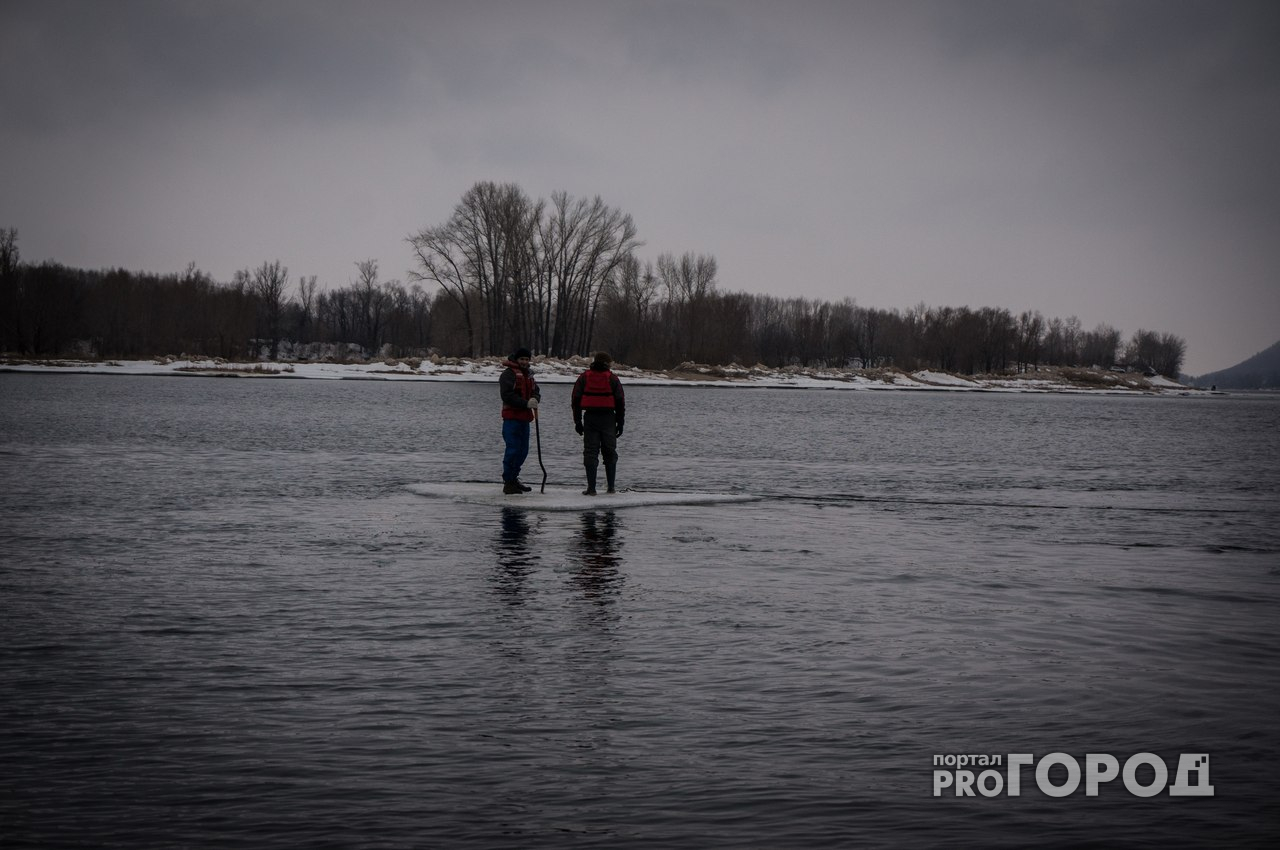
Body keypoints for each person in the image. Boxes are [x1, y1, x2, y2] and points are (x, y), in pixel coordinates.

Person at [571, 351, 625, 495]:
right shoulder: (613, 379)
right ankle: (611, 488)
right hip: (608, 418)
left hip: (590, 418)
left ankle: (591, 488)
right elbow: (620, 402)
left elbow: (575, 401)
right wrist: (620, 423)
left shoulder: (584, 378)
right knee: (610, 452)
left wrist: (577, 421)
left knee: (590, 452)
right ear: (608, 363)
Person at [499, 348, 541, 494]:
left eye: (526, 359)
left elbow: (536, 389)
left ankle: (514, 478)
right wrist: (525, 404)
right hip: (511, 419)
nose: (524, 362)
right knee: (513, 449)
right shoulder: (508, 375)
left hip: (525, 419)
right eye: (522, 359)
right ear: (516, 359)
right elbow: (507, 395)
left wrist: (535, 398)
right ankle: (508, 481)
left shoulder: (529, 375)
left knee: (523, 451)